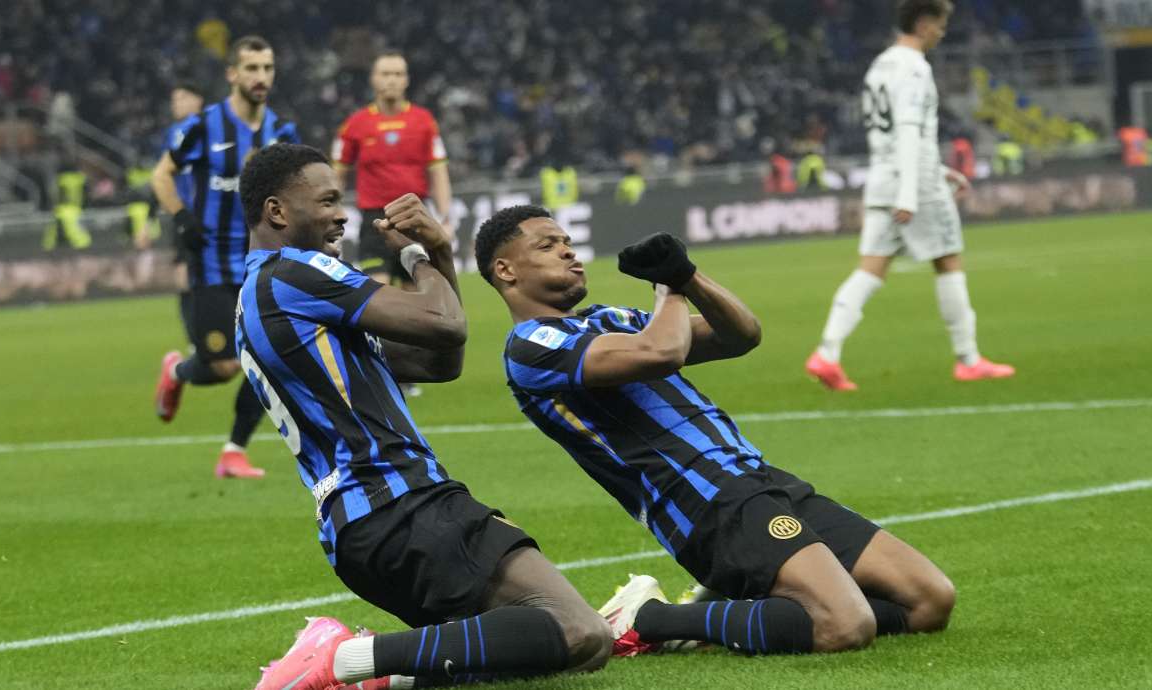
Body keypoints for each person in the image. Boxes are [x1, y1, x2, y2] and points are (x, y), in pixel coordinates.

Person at [474, 205, 955, 657]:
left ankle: (730, 607)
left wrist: (687, 276)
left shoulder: (608, 319)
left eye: (567, 240)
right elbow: (661, 353)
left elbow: (740, 334)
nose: (569, 251)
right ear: (506, 270)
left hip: (759, 479)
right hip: (704, 502)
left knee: (929, 601)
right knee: (843, 625)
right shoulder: (530, 347)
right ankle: (651, 619)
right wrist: (668, 288)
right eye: (547, 245)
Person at [236, 144, 609, 689]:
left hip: (363, 529)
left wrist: (433, 261)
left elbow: (439, 361)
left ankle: (380, 678)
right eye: (327, 201)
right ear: (277, 212)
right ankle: (341, 659)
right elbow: (445, 323)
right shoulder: (294, 273)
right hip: (401, 503)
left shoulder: (262, 296)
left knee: (507, 654)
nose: (343, 214)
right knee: (580, 632)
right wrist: (427, 250)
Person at [806, 0, 1014, 391]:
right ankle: (968, 359)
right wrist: (911, 192)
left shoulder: (880, 66)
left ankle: (827, 353)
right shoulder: (915, 68)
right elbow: (907, 130)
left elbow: (884, 136)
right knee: (948, 260)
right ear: (922, 22)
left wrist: (937, 170)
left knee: (870, 268)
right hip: (911, 182)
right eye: (939, 24)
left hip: (883, 175)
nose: (942, 32)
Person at [150, 36, 300, 478]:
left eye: (268, 68)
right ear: (232, 74)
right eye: (252, 68)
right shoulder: (202, 125)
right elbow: (163, 174)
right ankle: (177, 372)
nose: (261, 77)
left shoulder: (281, 131)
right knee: (221, 367)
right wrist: (181, 218)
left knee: (265, 358)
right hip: (211, 262)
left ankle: (233, 450)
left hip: (261, 263)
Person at [332, 50, 452, 285]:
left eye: (398, 74)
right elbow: (338, 174)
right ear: (373, 79)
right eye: (385, 73)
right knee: (379, 292)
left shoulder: (424, 121)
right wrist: (331, 215)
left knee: (415, 295)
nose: (391, 79)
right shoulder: (355, 124)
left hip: (415, 216)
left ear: (406, 80)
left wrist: (445, 218)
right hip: (374, 221)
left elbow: (438, 173)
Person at [165, 83, 205, 344]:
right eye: (174, 99)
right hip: (182, 214)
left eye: (182, 97)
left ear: (198, 100)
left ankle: (203, 335)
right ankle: (195, 337)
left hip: (207, 213)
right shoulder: (172, 132)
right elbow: (164, 175)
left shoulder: (208, 128)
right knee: (183, 275)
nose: (176, 103)